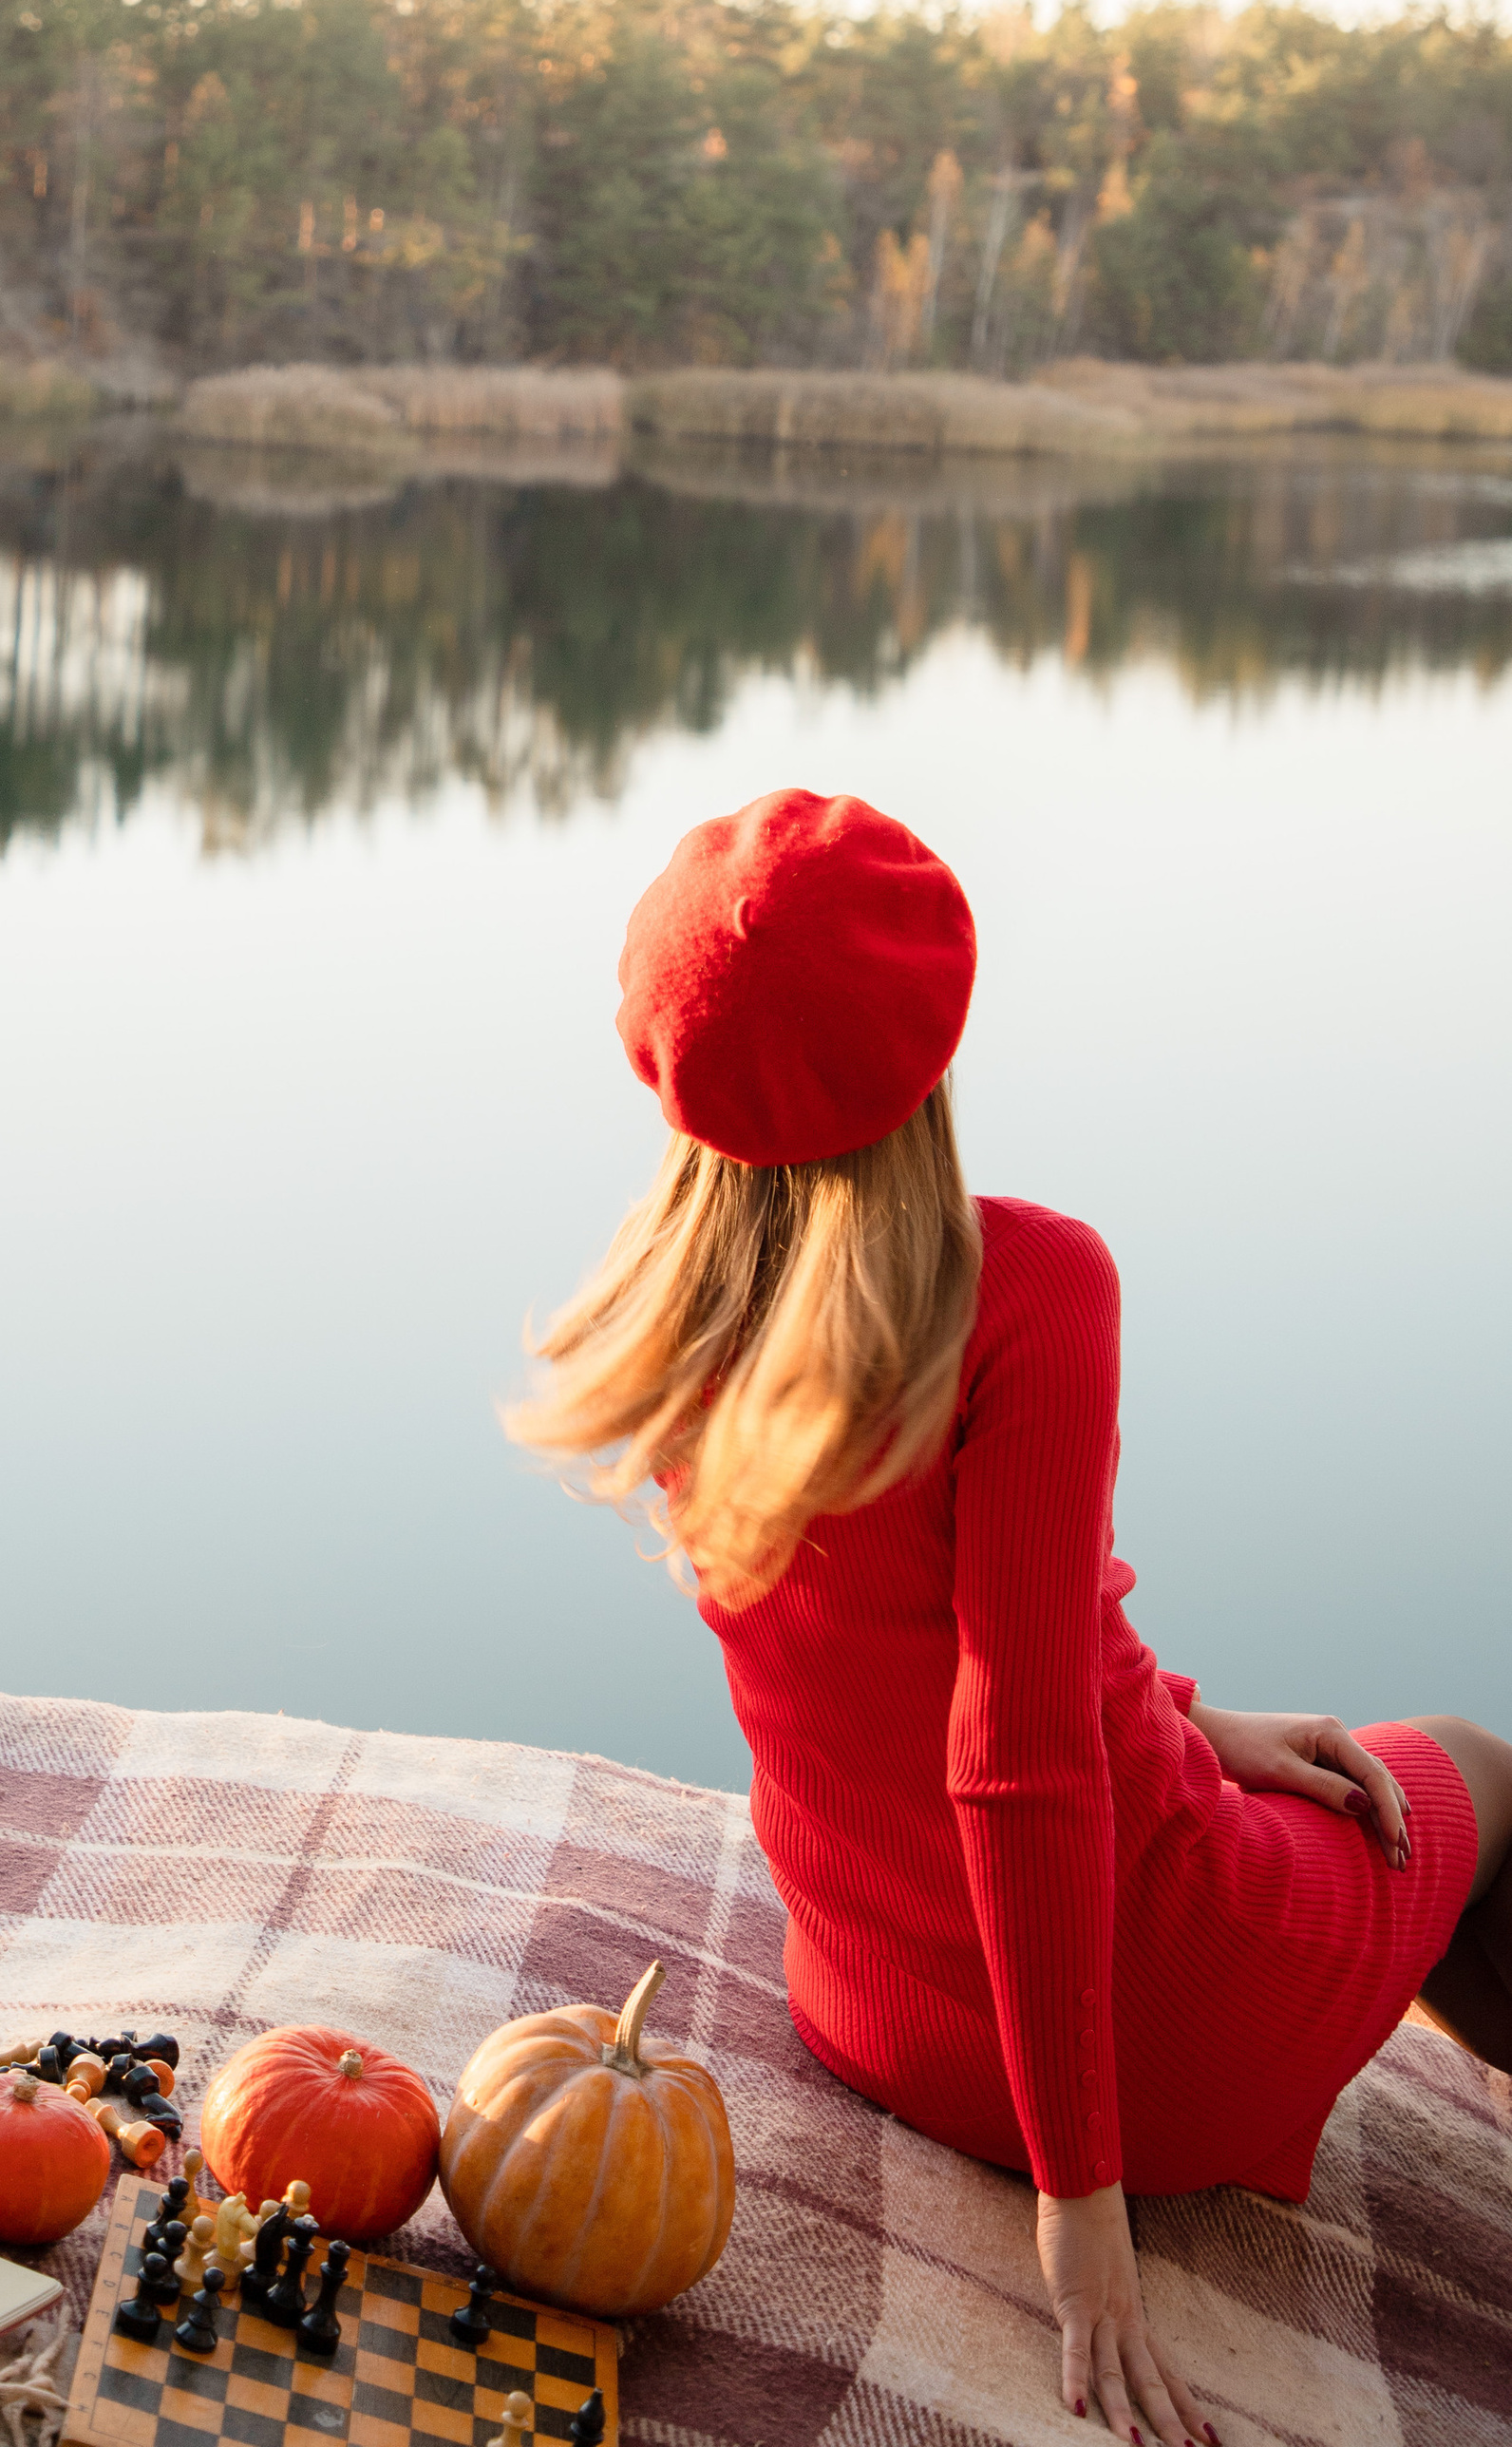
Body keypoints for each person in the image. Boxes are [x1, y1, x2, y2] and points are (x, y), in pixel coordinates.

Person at [509, 787, 1512, 2447]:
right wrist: (1084, 2214)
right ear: (936, 1034)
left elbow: (908, 1662)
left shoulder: (670, 1311)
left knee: (1352, 1775)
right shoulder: (1027, 1293)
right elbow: (1022, 1765)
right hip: (1143, 2035)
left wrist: (1194, 1720)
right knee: (1481, 1767)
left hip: (877, 2011)